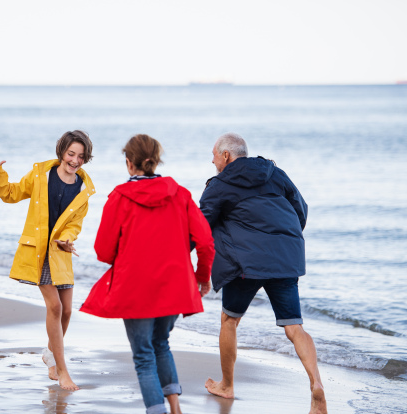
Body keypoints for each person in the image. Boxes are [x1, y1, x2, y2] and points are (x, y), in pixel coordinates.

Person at [81, 134, 215, 414]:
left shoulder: (120, 197)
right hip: (174, 284)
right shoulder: (180, 194)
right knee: (161, 344)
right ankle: (175, 408)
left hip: (135, 286)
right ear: (155, 161)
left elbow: (103, 251)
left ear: (130, 164)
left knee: (143, 355)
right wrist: (202, 277)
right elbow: (205, 241)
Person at [199, 132, 327, 414]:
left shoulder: (220, 184)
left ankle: (227, 385)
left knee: (229, 320)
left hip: (246, 264)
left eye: (214, 155)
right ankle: (316, 383)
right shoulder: (275, 173)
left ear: (226, 156)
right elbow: (300, 209)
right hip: (285, 257)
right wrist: (282, 242)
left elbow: (201, 224)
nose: (212, 160)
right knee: (294, 327)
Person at [0, 130, 95, 391]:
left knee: (66, 311)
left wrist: (66, 238)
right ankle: (63, 370)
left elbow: (75, 225)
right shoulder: (41, 175)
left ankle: (50, 355)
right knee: (54, 307)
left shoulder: (85, 189)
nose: (75, 160)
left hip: (61, 254)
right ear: (62, 152)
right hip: (39, 252)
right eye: (71, 154)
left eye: (80, 156)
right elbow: (10, 194)